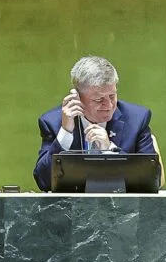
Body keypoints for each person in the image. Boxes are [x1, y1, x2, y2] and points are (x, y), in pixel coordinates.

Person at [33, 56, 158, 192]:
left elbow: (152, 180)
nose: (109, 105)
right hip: (72, 210)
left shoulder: (137, 119)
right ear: (77, 98)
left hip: (124, 210)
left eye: (112, 96)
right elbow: (43, 181)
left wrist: (109, 150)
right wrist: (66, 133)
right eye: (99, 100)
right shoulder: (53, 123)